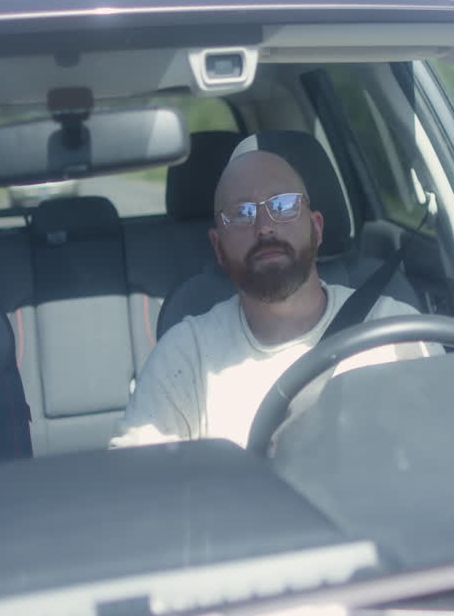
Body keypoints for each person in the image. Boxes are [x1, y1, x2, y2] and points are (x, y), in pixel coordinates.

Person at [110, 148, 430, 449]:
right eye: (241, 213)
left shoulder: (392, 326)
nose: (264, 228)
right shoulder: (186, 353)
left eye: (283, 206)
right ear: (218, 247)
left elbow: (443, 450)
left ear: (316, 228)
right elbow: (139, 476)